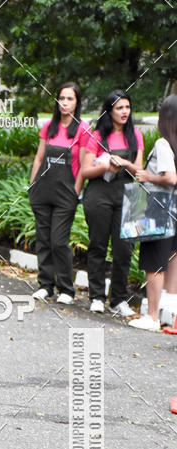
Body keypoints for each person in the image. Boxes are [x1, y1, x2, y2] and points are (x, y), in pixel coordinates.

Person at [81, 89, 144, 316]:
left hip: (129, 194)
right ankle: (97, 297)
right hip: (100, 193)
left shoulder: (135, 135)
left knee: (124, 249)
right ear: (109, 111)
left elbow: (139, 171)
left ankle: (118, 299)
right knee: (98, 245)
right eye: (119, 108)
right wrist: (106, 166)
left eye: (127, 107)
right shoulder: (98, 136)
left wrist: (125, 163)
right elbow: (86, 170)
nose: (124, 112)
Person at [29, 82, 90, 305]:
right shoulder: (49, 126)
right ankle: (45, 285)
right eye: (61, 98)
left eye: (69, 99)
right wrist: (32, 186)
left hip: (66, 194)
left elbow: (83, 165)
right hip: (42, 191)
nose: (64, 103)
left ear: (77, 102)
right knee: (43, 240)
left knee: (58, 241)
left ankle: (66, 289)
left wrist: (76, 192)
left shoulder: (82, 129)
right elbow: (39, 158)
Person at [128, 95, 177, 332]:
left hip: (159, 207)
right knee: (172, 258)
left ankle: (152, 317)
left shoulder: (163, 144)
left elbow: (170, 178)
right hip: (174, 209)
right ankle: (169, 313)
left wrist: (148, 176)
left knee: (154, 263)